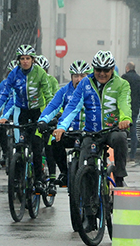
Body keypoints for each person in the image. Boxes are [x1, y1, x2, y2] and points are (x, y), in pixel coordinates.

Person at [52, 50, 132, 187]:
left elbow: (124, 103)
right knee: (84, 164)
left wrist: (125, 119)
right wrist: (61, 127)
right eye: (98, 69)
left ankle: (119, 176)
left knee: (120, 139)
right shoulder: (85, 83)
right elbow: (72, 107)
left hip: (111, 130)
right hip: (90, 131)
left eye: (106, 70)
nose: (102, 73)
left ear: (112, 69)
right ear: (93, 69)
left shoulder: (122, 84)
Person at [0, 45, 53, 193]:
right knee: (20, 144)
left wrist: (50, 116)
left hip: (37, 112)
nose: (25, 61)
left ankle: (38, 180)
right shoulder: (14, 74)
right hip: (22, 112)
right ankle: (18, 175)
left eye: (28, 58)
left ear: (33, 60)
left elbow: (49, 96)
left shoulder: (40, 73)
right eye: (22, 59)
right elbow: (4, 95)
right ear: (18, 61)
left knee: (36, 145)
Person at [37, 60, 90, 187]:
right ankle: (65, 172)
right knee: (55, 141)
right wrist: (43, 120)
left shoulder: (93, 90)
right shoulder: (65, 91)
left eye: (82, 76)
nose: (79, 79)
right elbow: (53, 106)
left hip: (89, 132)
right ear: (71, 77)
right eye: (76, 76)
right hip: (70, 130)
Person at [35, 55, 60, 195]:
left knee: (50, 148)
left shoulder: (52, 81)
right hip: (37, 119)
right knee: (36, 147)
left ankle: (52, 180)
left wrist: (57, 115)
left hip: (49, 119)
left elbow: (58, 98)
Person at [121, 61, 140, 165]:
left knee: (122, 132)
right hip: (135, 109)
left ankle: (123, 154)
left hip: (123, 109)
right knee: (133, 132)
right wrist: (138, 105)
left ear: (127, 68)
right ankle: (132, 155)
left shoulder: (123, 78)